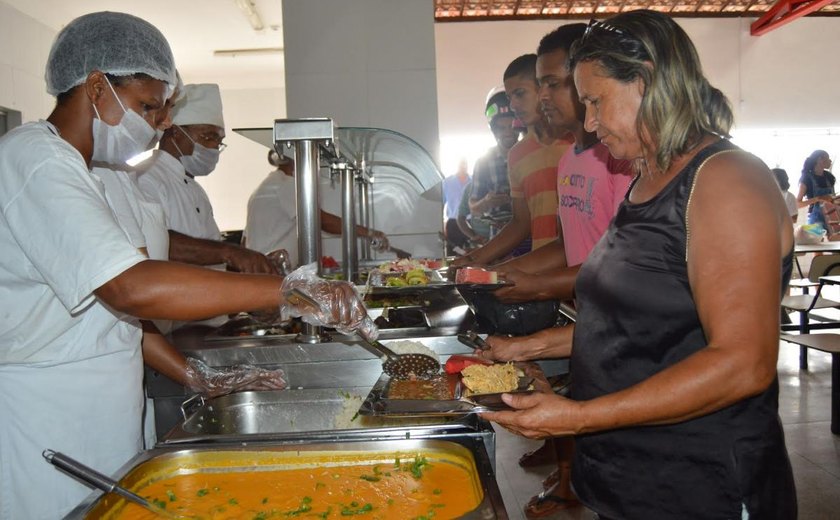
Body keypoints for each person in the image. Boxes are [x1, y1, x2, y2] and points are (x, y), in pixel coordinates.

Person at [0, 12, 374, 519]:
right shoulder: (35, 160)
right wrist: (287, 292)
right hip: (49, 426)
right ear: (95, 87)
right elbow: (130, 289)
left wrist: (193, 375)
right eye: (148, 105)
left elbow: (113, 319)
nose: (161, 122)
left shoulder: (87, 172)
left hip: (106, 418)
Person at [484, 11, 797, 518]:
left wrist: (578, 418)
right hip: (628, 477)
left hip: (701, 483)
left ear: (648, 81)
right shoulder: (645, 181)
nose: (588, 122)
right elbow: (637, 323)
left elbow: (744, 364)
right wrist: (529, 346)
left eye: (595, 100)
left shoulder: (725, 181)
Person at [475, 25, 633, 518]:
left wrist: (534, 283)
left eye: (551, 83)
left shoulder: (622, 161)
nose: (544, 96)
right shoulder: (572, 157)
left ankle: (579, 484)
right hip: (585, 311)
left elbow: (616, 263)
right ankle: (575, 481)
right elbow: (566, 243)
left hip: (619, 319)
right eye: (537, 86)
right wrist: (501, 272)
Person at [450, 54, 568, 269]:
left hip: (582, 273)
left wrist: (493, 272)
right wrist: (471, 262)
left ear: (543, 89)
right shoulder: (518, 155)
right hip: (540, 270)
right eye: (510, 96)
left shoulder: (577, 142)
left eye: (520, 94)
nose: (513, 104)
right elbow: (521, 223)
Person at [242, 149, 389, 264]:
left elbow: (244, 241)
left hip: (267, 269)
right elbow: (321, 221)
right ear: (296, 160)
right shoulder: (285, 185)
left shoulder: (269, 184)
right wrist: (369, 233)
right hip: (271, 270)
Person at [468, 88, 519, 239]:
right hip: (498, 238)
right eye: (502, 128)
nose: (508, 132)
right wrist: (486, 202)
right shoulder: (484, 162)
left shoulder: (531, 156)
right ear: (494, 131)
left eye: (512, 126)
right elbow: (473, 208)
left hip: (531, 236)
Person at [797, 149, 836, 231]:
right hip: (816, 221)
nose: (830, 160)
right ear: (819, 159)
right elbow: (798, 204)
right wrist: (818, 199)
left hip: (832, 219)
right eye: (828, 158)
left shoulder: (829, 177)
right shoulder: (806, 178)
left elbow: (832, 198)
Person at [442, 158, 472, 254]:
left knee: (473, 253)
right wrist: (441, 226)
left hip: (471, 223)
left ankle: (472, 269)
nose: (463, 166)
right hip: (453, 224)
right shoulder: (447, 182)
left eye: (465, 164)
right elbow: (441, 205)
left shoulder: (474, 181)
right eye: (461, 164)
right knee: (454, 253)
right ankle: (454, 269)